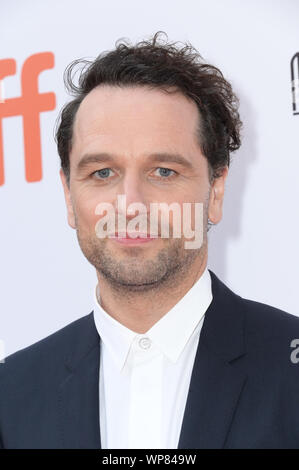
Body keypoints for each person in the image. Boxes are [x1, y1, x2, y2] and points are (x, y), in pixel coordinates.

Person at [1, 31, 299, 450]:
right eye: (102, 173)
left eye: (164, 171)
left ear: (215, 191)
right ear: (69, 197)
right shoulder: (11, 394)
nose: (131, 204)